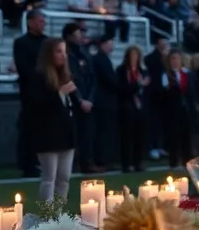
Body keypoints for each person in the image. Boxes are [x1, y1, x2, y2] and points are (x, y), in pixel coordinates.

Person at [29, 38, 80, 204]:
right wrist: (60, 94)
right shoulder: (39, 76)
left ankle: (58, 215)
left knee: (64, 177)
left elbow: (72, 103)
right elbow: (37, 104)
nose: (63, 56)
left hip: (66, 132)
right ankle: (48, 216)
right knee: (49, 177)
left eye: (64, 52)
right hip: (48, 133)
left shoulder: (65, 75)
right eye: (59, 51)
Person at [13, 9, 48, 176]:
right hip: (30, 93)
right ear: (30, 22)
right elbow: (24, 68)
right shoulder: (21, 43)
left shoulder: (48, 42)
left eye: (43, 22)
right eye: (40, 21)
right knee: (28, 129)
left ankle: (42, 161)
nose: (43, 25)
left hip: (48, 93)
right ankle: (27, 164)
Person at [64, 22, 98, 173]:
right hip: (71, 101)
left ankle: (87, 161)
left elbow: (92, 78)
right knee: (71, 134)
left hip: (87, 100)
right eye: (78, 34)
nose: (81, 37)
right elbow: (68, 78)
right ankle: (72, 163)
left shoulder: (85, 54)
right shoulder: (64, 54)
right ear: (69, 36)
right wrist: (79, 100)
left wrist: (89, 99)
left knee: (87, 133)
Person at [158, 50, 195, 166]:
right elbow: (164, 93)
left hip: (186, 109)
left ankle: (187, 160)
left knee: (186, 135)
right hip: (172, 110)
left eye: (177, 59)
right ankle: (173, 161)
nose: (175, 61)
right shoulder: (166, 75)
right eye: (173, 59)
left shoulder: (187, 74)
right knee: (174, 136)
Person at [117, 46, 149, 172]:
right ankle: (127, 163)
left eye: (136, 55)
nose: (134, 58)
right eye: (131, 55)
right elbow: (122, 89)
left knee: (140, 135)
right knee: (127, 136)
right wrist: (138, 84)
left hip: (141, 107)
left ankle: (138, 162)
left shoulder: (143, 70)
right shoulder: (121, 71)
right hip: (127, 106)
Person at [92, 34, 119, 169]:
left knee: (105, 131)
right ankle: (103, 159)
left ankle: (104, 158)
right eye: (109, 43)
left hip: (105, 100)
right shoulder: (101, 60)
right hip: (104, 101)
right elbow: (110, 80)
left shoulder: (102, 59)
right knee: (103, 132)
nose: (111, 46)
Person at [145, 37, 169, 159]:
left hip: (164, 95)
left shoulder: (167, 58)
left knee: (162, 122)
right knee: (153, 122)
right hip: (154, 95)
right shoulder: (150, 58)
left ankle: (160, 146)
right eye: (161, 43)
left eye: (165, 43)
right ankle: (152, 147)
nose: (164, 46)